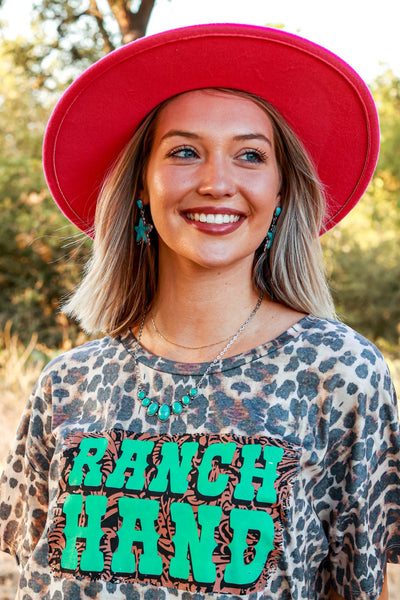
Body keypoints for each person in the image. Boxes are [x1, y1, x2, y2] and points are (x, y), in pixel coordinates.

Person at [0, 23, 399, 600]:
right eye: (185, 152)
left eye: (250, 156)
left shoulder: (340, 375)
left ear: (282, 191)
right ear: (142, 183)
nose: (217, 182)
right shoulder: (68, 383)